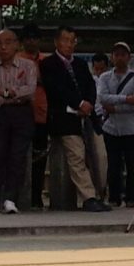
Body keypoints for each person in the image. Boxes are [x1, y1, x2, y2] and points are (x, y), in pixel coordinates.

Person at [39, 26, 111, 212]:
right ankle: (89, 197)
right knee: (76, 156)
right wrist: (78, 103)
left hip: (88, 116)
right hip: (63, 116)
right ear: (56, 42)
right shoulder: (48, 64)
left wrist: (88, 103)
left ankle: (100, 194)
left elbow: (90, 86)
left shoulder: (80, 64)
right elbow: (56, 89)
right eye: (65, 40)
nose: (69, 45)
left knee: (101, 156)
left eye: (72, 41)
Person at [97, 42, 134, 207]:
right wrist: (126, 99)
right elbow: (102, 98)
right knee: (113, 164)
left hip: (133, 127)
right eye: (116, 54)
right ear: (112, 57)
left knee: (133, 164)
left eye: (123, 55)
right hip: (111, 127)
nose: (119, 58)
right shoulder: (104, 77)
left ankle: (131, 197)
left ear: (129, 57)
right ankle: (114, 196)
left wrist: (115, 107)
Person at [0, 29, 36, 214]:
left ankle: (10, 198)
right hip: (0, 113)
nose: (3, 47)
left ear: (16, 44)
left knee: (17, 156)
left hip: (22, 113)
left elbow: (29, 90)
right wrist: (11, 94)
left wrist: (5, 93)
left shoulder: (28, 65)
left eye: (7, 42)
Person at [16, 23, 47, 208]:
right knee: (19, 156)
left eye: (34, 38)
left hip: (42, 114)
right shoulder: (17, 60)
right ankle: (19, 196)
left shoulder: (46, 61)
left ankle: (37, 196)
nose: (31, 41)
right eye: (28, 38)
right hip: (21, 115)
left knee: (40, 158)